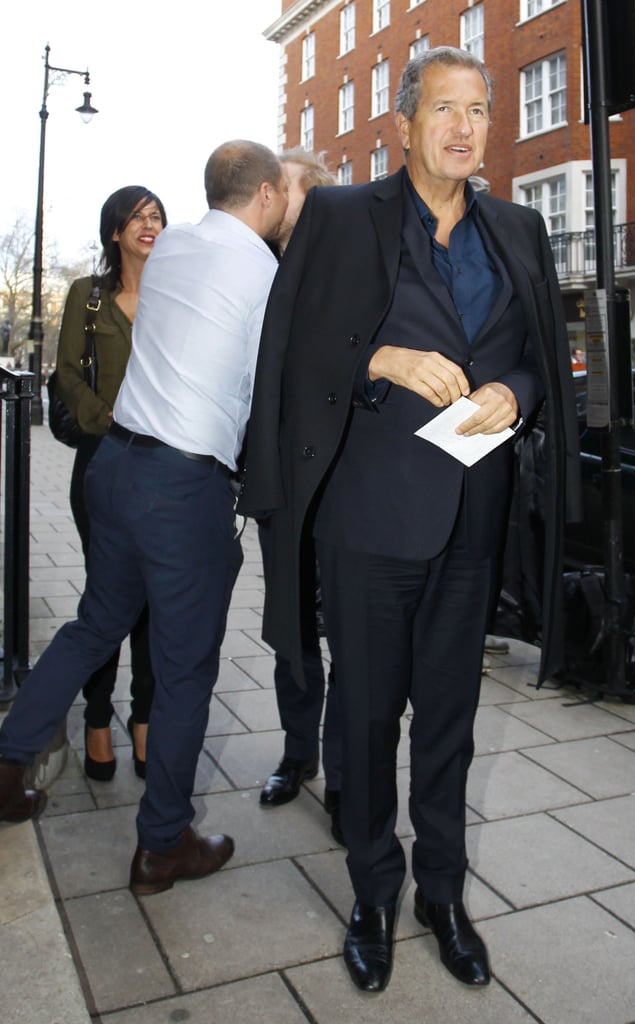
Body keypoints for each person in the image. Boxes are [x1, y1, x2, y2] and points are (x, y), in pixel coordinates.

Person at [238, 47, 580, 992]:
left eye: (478, 108)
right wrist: (378, 360)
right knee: (364, 714)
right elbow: (291, 350)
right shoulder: (344, 217)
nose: (464, 126)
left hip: (472, 515)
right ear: (402, 124)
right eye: (443, 109)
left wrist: (516, 391)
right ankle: (370, 892)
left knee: (450, 723)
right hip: (368, 517)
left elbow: (537, 352)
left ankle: (442, 892)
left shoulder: (518, 228)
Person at [0, 140, 288, 896]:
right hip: (179, 487)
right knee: (186, 667)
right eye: (284, 194)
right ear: (264, 194)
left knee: (93, 626)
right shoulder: (263, 271)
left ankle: (6, 763)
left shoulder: (176, 248)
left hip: (115, 467)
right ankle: (162, 845)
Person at [56, 186, 167, 781]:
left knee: (152, 599)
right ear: (115, 232)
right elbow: (66, 371)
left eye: (156, 217)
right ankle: (98, 715)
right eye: (137, 218)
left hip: (160, 463)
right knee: (106, 596)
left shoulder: (177, 294)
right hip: (102, 461)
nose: (149, 225)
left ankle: (144, 716)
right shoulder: (88, 297)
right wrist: (106, 419)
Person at [256, 149, 343, 843]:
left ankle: (346, 773)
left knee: (350, 633)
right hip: (283, 486)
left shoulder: (349, 269)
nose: (265, 193)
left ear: (309, 197)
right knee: (291, 629)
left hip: (344, 484)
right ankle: (297, 752)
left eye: (277, 184)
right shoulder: (256, 269)